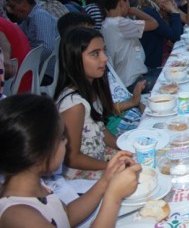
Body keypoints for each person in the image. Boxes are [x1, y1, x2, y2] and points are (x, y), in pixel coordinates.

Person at [0, 94, 141, 228]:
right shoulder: (19, 217)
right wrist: (113, 196)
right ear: (40, 152)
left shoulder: (34, 186)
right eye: (61, 137)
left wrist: (105, 180)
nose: (66, 142)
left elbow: (66, 216)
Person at [54, 27, 118, 180]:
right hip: (80, 175)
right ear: (74, 59)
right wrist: (110, 166)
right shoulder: (74, 105)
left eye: (104, 51)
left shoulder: (91, 88)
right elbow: (72, 158)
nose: (104, 58)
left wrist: (125, 148)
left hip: (98, 156)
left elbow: (100, 129)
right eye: (95, 54)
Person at [101, 0, 158, 93]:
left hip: (128, 78)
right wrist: (135, 11)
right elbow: (154, 24)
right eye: (127, 1)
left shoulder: (107, 24)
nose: (128, 5)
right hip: (132, 82)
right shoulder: (120, 23)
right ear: (122, 2)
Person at [5, 0, 59, 85]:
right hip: (40, 70)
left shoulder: (39, 16)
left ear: (24, 3)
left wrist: (28, 64)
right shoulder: (28, 19)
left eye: (13, 6)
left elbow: (47, 48)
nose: (11, 11)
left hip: (46, 73)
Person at [139, 0, 184, 71]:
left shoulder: (159, 10)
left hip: (163, 57)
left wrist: (173, 13)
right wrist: (174, 12)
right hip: (153, 66)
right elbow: (175, 36)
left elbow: (180, 32)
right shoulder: (148, 12)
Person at [0, 17, 31, 92]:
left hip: (12, 85)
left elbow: (4, 43)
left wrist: (6, 60)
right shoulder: (4, 22)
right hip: (25, 80)